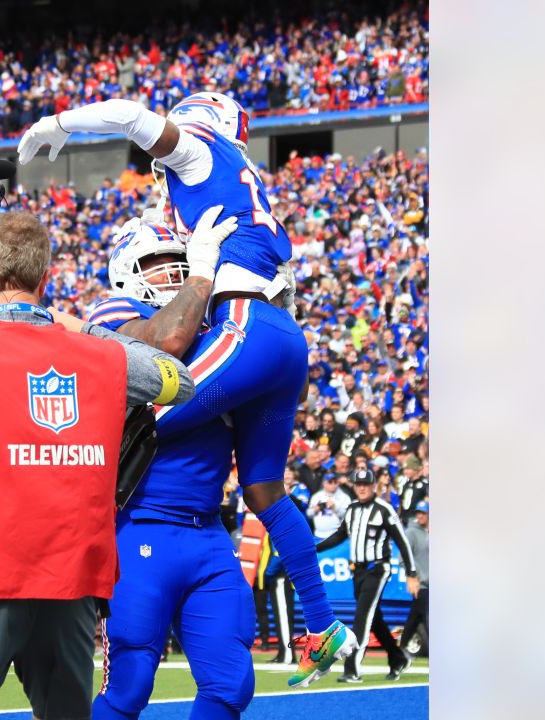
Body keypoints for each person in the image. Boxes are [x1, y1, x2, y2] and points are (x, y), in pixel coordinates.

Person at [20, 93, 354, 688]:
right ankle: (325, 626)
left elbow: (128, 115)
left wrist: (58, 123)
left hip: (246, 326)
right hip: (281, 336)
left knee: (125, 423)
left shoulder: (201, 155)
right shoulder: (243, 181)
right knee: (264, 489)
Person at [0, 211, 196, 719]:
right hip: (69, 580)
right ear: (45, 279)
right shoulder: (100, 355)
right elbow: (179, 380)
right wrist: (86, 330)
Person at [84, 211, 271, 717]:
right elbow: (165, 340)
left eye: (177, 262)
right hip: (139, 525)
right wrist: (203, 273)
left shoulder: (215, 328)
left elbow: (275, 381)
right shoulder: (110, 315)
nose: (170, 274)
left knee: (231, 684)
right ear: (126, 269)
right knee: (130, 683)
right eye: (156, 263)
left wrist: (274, 319)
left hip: (208, 533)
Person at [315, 469, 419, 682]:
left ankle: (352, 668)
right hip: (359, 570)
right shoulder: (352, 509)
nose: (362, 487)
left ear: (373, 487)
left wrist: (411, 573)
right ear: (354, 486)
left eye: (366, 484)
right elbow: (340, 535)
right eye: (358, 484)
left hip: (378, 569)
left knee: (362, 616)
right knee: (375, 619)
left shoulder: (384, 510)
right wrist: (315, 548)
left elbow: (402, 542)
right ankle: (397, 657)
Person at [400, 500, 430, 658]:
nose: (420, 516)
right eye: (418, 513)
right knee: (427, 615)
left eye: (423, 513)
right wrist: (411, 576)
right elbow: (402, 557)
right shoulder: (411, 532)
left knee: (415, 616)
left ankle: (402, 647)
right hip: (420, 583)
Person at [308, 474, 351, 539]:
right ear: (324, 483)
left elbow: (348, 517)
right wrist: (314, 510)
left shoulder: (344, 497)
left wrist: (335, 508)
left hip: (337, 535)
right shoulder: (316, 496)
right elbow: (308, 514)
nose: (333, 485)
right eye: (330, 482)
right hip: (318, 535)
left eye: (335, 482)